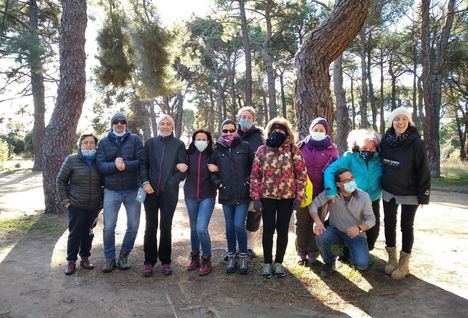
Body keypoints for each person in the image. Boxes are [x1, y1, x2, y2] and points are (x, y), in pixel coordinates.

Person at [250, 117, 308, 278]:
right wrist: (255, 197)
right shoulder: (262, 150)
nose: (277, 132)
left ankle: (279, 263)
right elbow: (255, 175)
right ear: (269, 131)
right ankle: (267, 263)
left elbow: (301, 175)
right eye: (274, 129)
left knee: (282, 230)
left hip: (287, 197)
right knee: (268, 229)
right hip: (266, 196)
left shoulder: (293, 150)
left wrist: (299, 197)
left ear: (287, 132)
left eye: (281, 129)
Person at [380, 107, 430, 280]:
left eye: (404, 119)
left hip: (410, 191)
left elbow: (423, 169)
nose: (400, 122)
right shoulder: (385, 140)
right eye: (397, 119)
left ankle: (404, 263)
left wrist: (424, 194)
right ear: (391, 122)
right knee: (389, 223)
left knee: (406, 226)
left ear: (409, 122)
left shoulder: (416, 142)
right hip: (389, 190)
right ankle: (391, 258)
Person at [96, 112, 144, 273]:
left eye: (122, 121)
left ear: (126, 124)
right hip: (112, 191)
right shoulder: (103, 142)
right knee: (109, 227)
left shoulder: (135, 140)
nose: (119, 124)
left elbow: (141, 161)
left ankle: (123, 256)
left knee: (133, 225)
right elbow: (101, 166)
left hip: (132, 190)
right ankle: (109, 259)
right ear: (112, 124)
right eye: (116, 121)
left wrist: (126, 164)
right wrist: (114, 166)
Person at [141, 114, 188, 277]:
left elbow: (183, 168)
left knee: (166, 227)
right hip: (150, 192)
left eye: (168, 123)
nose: (165, 126)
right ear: (158, 125)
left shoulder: (179, 145)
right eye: (162, 123)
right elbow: (143, 165)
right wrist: (145, 182)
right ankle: (149, 261)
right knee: (150, 226)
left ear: (172, 127)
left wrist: (171, 182)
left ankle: (166, 261)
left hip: (169, 193)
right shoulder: (150, 143)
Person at [310, 168, 376, 278]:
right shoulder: (331, 193)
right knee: (321, 235)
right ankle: (330, 262)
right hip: (335, 231)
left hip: (356, 235)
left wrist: (359, 228)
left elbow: (371, 219)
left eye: (352, 178)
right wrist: (317, 221)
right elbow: (313, 204)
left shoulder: (364, 196)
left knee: (362, 264)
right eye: (346, 181)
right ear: (339, 184)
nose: (351, 182)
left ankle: (348, 252)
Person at [324, 129, 382, 251]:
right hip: (352, 197)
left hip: (373, 199)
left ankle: (366, 250)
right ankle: (345, 250)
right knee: (347, 226)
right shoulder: (350, 158)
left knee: (373, 229)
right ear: (357, 146)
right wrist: (331, 191)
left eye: (372, 149)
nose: (368, 152)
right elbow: (330, 170)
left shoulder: (380, 160)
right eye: (364, 149)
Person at [211, 119, 254, 274]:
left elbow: (253, 167)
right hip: (226, 194)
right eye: (225, 131)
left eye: (231, 130)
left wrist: (248, 183)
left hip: (242, 194)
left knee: (238, 225)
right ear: (221, 132)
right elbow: (212, 172)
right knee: (229, 227)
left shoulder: (245, 146)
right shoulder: (217, 149)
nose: (228, 133)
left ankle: (243, 255)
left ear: (236, 131)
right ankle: (231, 256)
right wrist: (219, 184)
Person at [57, 133, 102, 275]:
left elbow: (104, 183)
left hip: (93, 206)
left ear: (96, 145)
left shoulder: (99, 161)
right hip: (75, 205)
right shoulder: (71, 160)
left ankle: (85, 258)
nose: (89, 145)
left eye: (92, 143)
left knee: (88, 233)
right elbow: (60, 180)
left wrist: (101, 203)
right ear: (80, 145)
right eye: (85, 142)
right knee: (75, 233)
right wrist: (65, 201)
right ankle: (71, 261)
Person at [295, 117, 338, 266]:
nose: (318, 132)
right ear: (310, 130)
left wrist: (331, 191)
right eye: (315, 129)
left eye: (321, 130)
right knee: (301, 223)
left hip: (321, 194)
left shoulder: (331, 149)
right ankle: (301, 251)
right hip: (302, 192)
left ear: (326, 132)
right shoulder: (300, 146)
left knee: (317, 222)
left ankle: (313, 252)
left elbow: (335, 171)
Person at [184, 129, 217, 276]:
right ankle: (195, 257)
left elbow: (224, 170)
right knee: (193, 228)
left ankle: (206, 259)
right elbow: (179, 169)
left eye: (204, 139)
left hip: (207, 196)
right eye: (198, 139)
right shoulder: (188, 154)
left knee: (201, 228)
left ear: (209, 141)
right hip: (190, 195)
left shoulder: (213, 154)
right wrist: (179, 167)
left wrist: (218, 168)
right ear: (193, 140)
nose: (201, 141)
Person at [237, 106, 264, 259]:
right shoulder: (233, 134)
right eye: (243, 116)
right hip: (237, 184)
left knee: (254, 215)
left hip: (256, 184)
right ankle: (236, 247)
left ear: (254, 120)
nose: (245, 119)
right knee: (237, 217)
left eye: (249, 117)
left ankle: (249, 247)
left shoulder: (260, 136)